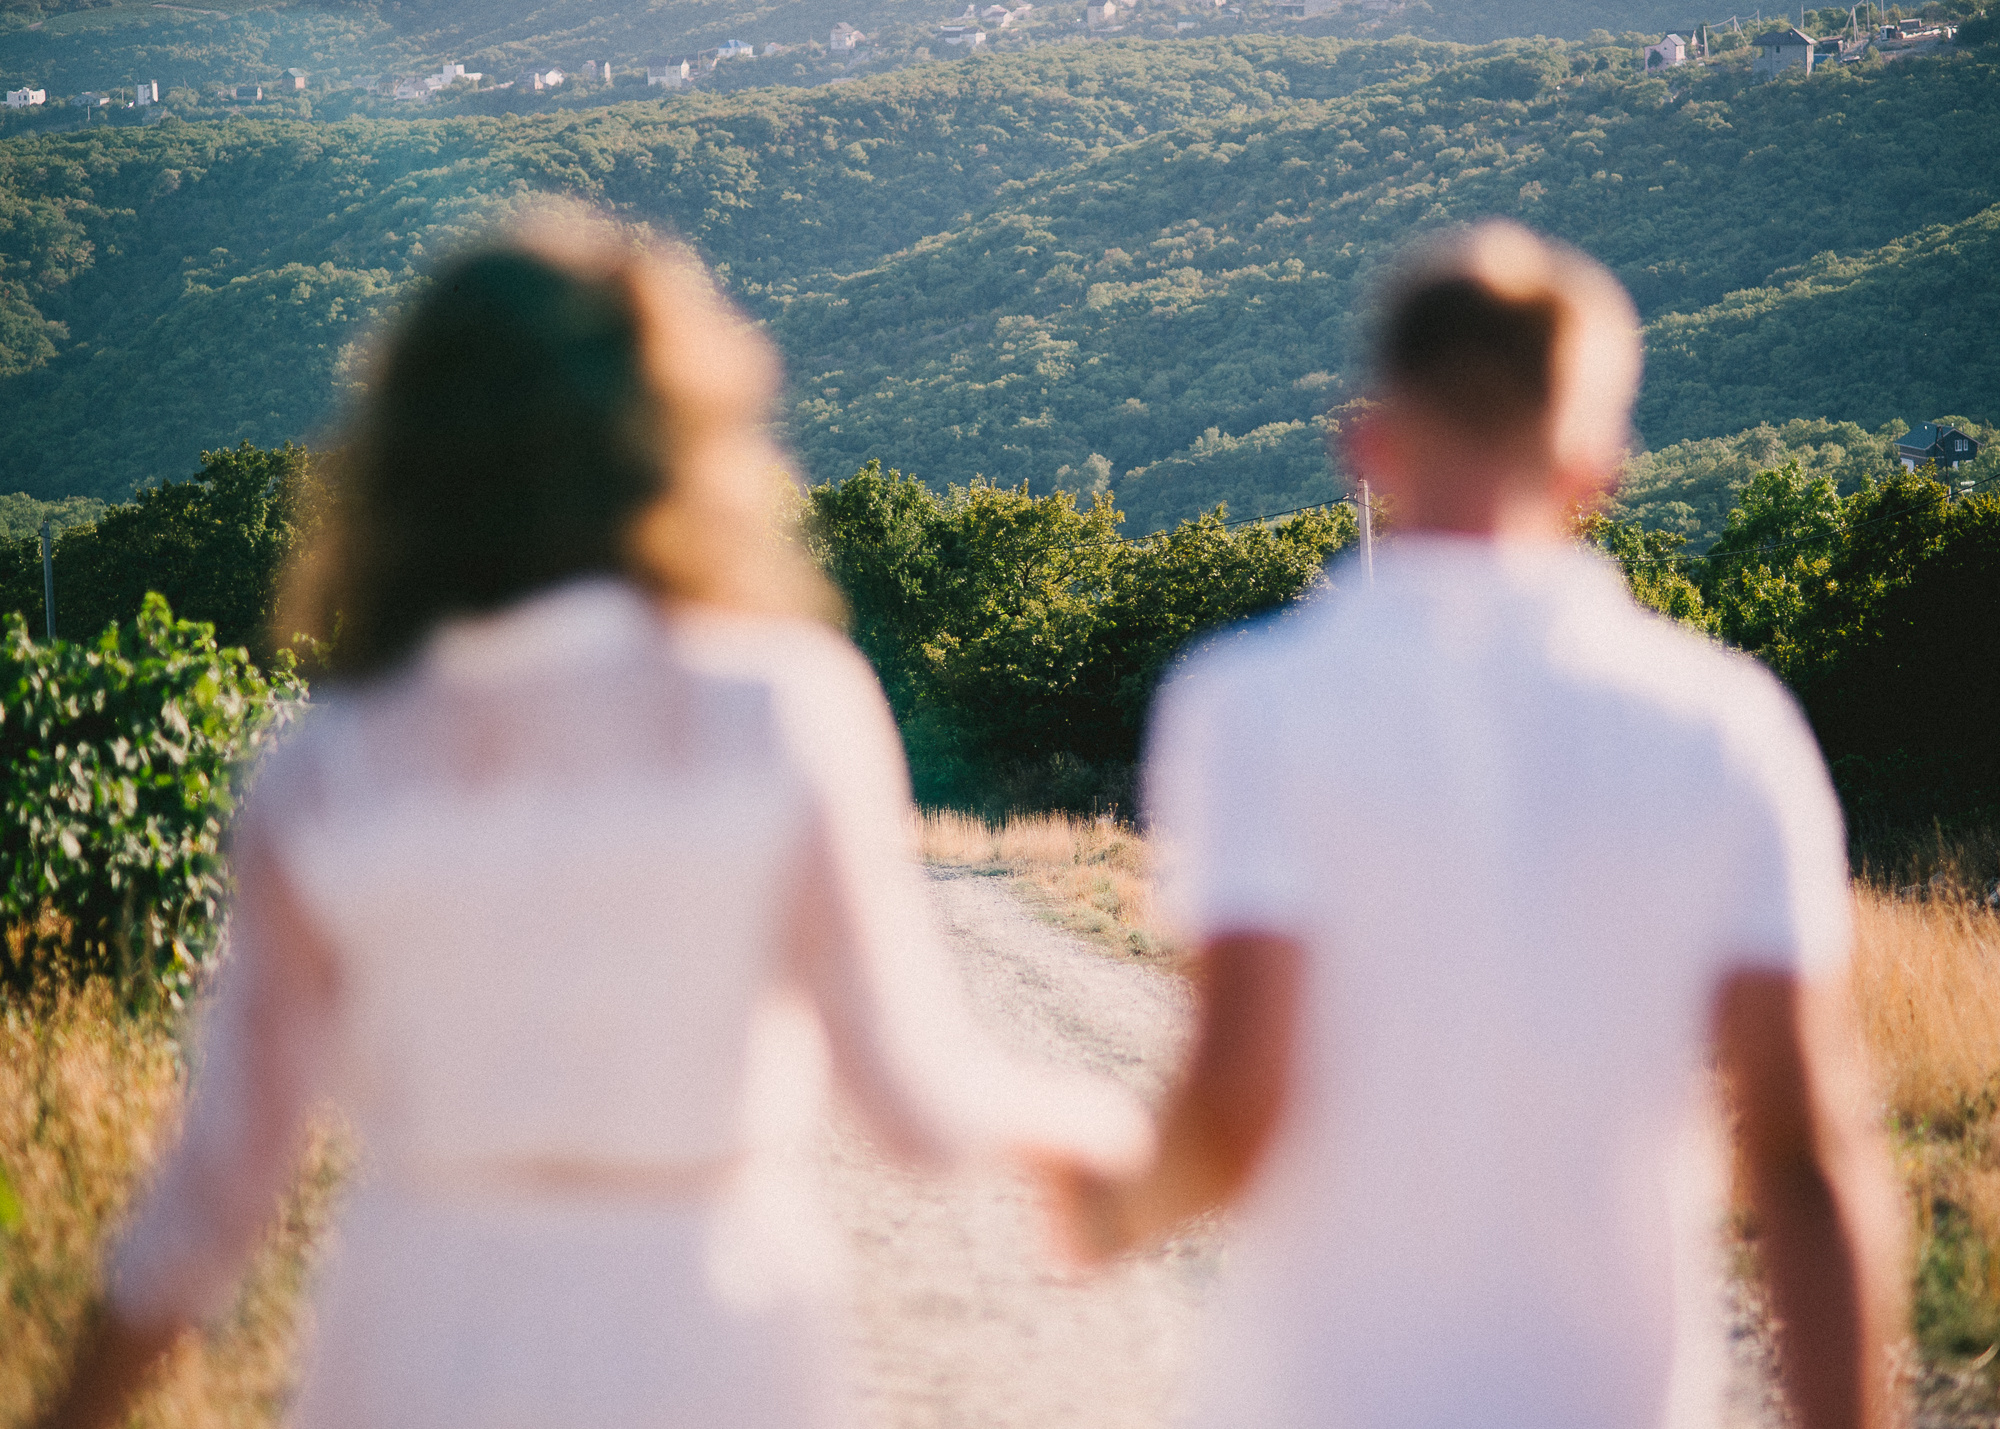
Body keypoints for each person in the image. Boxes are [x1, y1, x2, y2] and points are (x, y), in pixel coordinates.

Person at [37, 210, 1151, 1429]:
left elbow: (214, 1198)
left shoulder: (323, 765)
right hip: (707, 1332)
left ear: (408, 460)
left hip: (416, 1336)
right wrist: (1086, 1127)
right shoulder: (778, 708)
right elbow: (911, 1101)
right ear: (670, 443)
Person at [1038, 220, 1906, 1429]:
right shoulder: (1726, 722)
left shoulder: (1247, 701)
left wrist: (1114, 1208)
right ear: (1596, 463)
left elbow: (1238, 1100)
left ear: (1368, 443)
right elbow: (1807, 1161)